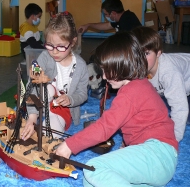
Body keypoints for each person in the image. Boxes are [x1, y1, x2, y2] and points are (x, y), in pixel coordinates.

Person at [55, 32, 178, 186]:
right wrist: (128, 146)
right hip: (159, 161)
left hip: (157, 155)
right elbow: (141, 122)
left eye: (107, 70)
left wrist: (69, 145)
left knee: (93, 168)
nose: (104, 77)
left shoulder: (130, 92)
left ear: (122, 65)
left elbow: (104, 128)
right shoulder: (140, 85)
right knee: (90, 181)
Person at [21, 11, 89, 140]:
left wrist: (70, 99)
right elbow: (32, 84)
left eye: (61, 46)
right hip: (43, 100)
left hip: (63, 108)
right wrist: (32, 117)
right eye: (50, 46)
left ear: (73, 42)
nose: (55, 52)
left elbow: (82, 93)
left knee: (51, 134)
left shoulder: (81, 66)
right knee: (47, 88)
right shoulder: (44, 57)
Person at [132, 26, 190, 142]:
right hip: (180, 75)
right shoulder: (138, 67)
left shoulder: (169, 72)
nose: (140, 60)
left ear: (158, 53)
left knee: (183, 117)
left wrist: (172, 140)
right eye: (136, 54)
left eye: (146, 54)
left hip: (185, 77)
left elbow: (180, 108)